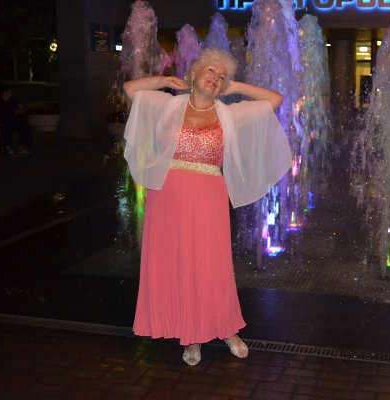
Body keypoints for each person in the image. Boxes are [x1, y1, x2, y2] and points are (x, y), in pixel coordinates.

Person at [123, 48, 292, 366]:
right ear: (193, 74)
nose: (216, 78)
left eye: (221, 76)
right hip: (167, 196)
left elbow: (274, 100)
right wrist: (165, 81)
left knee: (211, 264)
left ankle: (226, 328)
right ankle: (192, 336)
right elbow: (131, 90)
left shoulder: (230, 114)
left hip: (208, 195)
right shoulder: (168, 105)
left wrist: (236, 86)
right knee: (177, 262)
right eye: (211, 71)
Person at [0, 86, 32, 155]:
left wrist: (20, 111)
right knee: (5, 127)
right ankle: (8, 147)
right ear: (4, 93)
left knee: (25, 126)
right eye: (9, 92)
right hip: (2, 120)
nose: (11, 93)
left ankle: (21, 147)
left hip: (14, 120)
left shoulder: (13, 100)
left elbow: (22, 108)